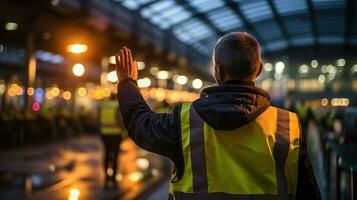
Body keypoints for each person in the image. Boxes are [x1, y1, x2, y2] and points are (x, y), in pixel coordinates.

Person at [115, 32, 321, 199]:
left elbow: (141, 124)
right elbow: (308, 192)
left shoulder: (186, 120)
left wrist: (127, 83)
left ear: (218, 72)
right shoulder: (287, 125)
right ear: (257, 70)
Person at [99, 95, 123, 189]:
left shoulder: (103, 105)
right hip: (116, 133)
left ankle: (106, 177)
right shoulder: (117, 105)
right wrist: (123, 129)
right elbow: (118, 119)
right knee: (115, 155)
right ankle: (113, 178)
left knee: (107, 154)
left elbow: (99, 119)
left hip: (104, 133)